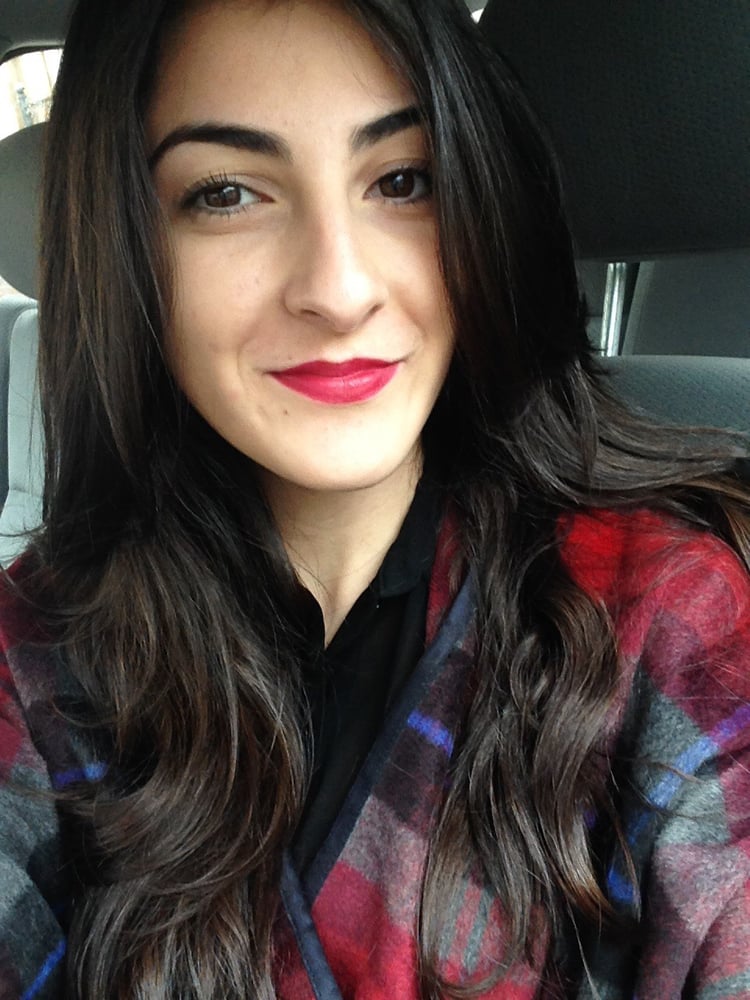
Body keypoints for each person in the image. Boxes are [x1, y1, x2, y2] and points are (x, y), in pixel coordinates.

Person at [1, 0, 749, 996]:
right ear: (127, 245)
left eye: (403, 180)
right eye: (226, 193)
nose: (340, 288)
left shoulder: (677, 616)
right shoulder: (38, 648)